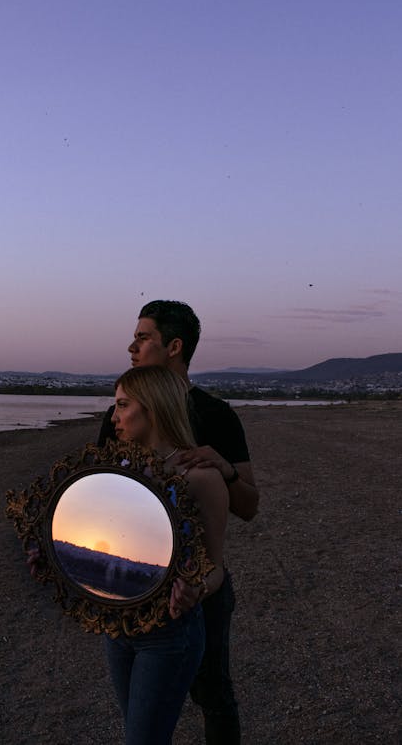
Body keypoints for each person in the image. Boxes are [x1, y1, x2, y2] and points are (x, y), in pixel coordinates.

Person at [98, 300, 259, 745]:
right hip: (132, 600)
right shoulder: (120, 425)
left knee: (213, 694)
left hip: (195, 598)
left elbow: (247, 507)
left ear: (174, 346)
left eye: (143, 337)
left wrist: (224, 471)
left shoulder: (217, 417)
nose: (132, 346)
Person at [106, 364, 229, 745]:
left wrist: (196, 588)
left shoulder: (200, 477)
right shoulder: (119, 470)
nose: (113, 417)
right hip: (117, 628)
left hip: (169, 636)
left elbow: (216, 569)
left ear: (153, 408)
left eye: (123, 405)